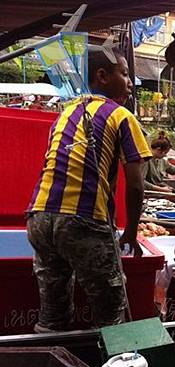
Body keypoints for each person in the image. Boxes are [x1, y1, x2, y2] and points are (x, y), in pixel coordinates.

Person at [26, 48, 151, 332]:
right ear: (102, 76)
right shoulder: (121, 116)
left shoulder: (67, 112)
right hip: (81, 219)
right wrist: (131, 229)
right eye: (125, 73)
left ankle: (51, 362)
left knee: (52, 311)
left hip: (39, 217)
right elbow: (135, 182)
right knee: (111, 315)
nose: (130, 81)